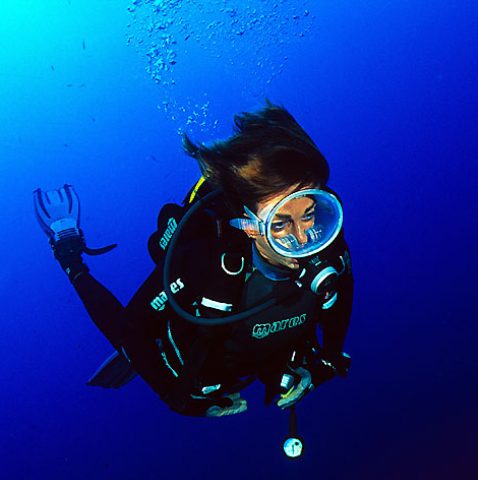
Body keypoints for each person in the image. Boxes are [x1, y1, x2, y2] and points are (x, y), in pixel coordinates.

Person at [33, 102, 354, 422]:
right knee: (142, 339)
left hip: (264, 354)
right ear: (248, 225)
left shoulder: (326, 244)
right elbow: (129, 328)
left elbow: (341, 297)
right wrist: (177, 398)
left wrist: (326, 360)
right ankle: (70, 256)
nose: (302, 241)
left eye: (310, 214)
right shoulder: (208, 264)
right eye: (280, 224)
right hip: (199, 359)